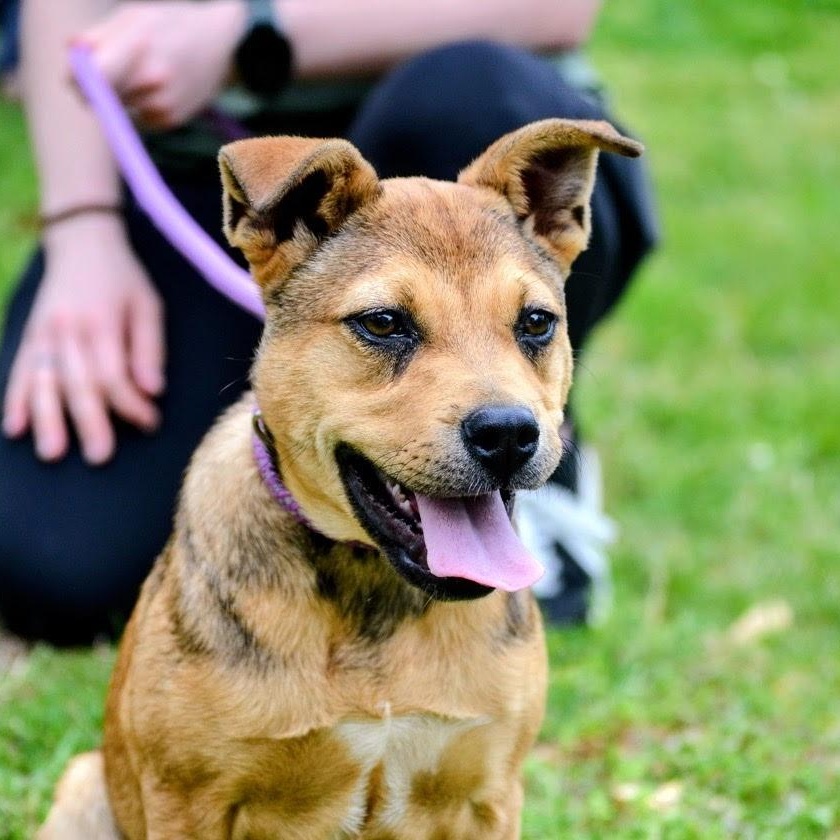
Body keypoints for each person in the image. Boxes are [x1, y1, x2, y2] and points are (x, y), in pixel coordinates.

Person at [0, 0, 657, 645]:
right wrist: (83, 229)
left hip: (466, 109)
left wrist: (246, 35)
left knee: (470, 89)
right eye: (386, 324)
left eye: (533, 325)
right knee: (55, 571)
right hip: (197, 173)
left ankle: (535, 462)